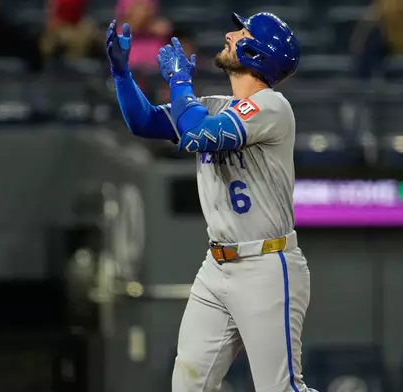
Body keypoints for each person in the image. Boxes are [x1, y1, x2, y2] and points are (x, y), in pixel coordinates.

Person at [106, 13, 320, 392]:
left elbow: (198, 136)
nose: (230, 34)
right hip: (217, 267)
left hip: (266, 265)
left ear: (256, 52)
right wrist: (123, 76)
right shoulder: (216, 104)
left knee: (281, 389)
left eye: (243, 33)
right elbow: (144, 122)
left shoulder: (272, 107)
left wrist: (179, 81)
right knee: (188, 386)